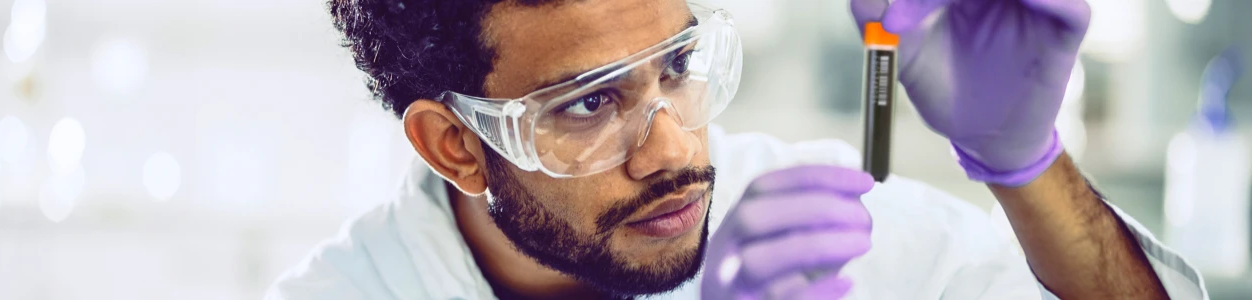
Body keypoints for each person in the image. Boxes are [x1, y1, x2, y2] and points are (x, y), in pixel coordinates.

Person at [267, 0, 1206, 299]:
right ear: (456, 147)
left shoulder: (816, 227)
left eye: (678, 64)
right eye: (592, 102)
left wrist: (1026, 164)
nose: (672, 148)